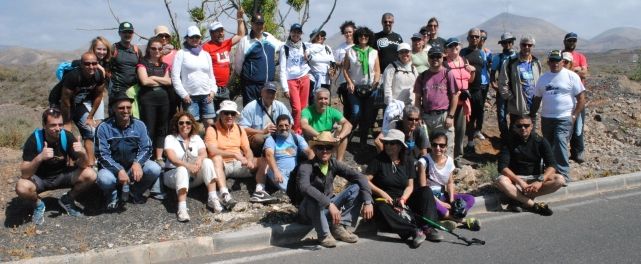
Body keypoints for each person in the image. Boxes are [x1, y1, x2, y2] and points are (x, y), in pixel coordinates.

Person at [16, 108, 96, 225]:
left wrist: (83, 153)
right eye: (53, 125)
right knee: (21, 186)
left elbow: (84, 165)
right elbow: (25, 174)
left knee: (91, 174)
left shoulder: (67, 136)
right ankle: (38, 205)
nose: (58, 129)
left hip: (62, 176)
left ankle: (67, 200)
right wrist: (40, 158)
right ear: (44, 125)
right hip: (40, 179)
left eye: (60, 124)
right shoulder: (34, 140)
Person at [367, 129, 443, 248]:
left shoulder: (407, 160)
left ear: (399, 146)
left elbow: (410, 185)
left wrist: (403, 199)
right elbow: (365, 180)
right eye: (386, 143)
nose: (387, 146)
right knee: (380, 207)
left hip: (403, 198)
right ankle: (413, 231)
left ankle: (428, 227)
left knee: (426, 191)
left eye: (391, 143)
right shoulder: (378, 160)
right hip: (386, 200)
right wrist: (382, 193)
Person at [297, 131, 374, 248]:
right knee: (313, 196)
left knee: (357, 187)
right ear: (315, 149)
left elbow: (360, 177)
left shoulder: (334, 164)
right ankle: (324, 235)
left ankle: (339, 226)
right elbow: (304, 187)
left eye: (328, 147)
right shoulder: (306, 166)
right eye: (320, 147)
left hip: (328, 208)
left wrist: (368, 201)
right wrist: (328, 204)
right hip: (309, 211)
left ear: (332, 150)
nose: (324, 151)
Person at [164, 112, 235, 222]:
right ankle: (182, 208)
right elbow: (173, 158)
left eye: (188, 122)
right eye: (181, 123)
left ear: (192, 124)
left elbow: (203, 153)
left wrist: (199, 159)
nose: (184, 125)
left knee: (207, 161)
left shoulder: (196, 138)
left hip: (193, 175)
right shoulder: (170, 138)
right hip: (173, 175)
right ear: (176, 125)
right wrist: (188, 165)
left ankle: (212, 198)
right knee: (182, 169)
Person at [95, 94, 162, 211]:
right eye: (121, 108)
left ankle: (134, 191)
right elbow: (101, 154)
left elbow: (147, 148)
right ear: (113, 109)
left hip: (132, 167)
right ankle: (112, 196)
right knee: (104, 179)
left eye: (128, 107)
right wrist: (118, 170)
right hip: (112, 169)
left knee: (154, 168)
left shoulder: (139, 125)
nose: (126, 111)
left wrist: (137, 163)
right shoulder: (103, 127)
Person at [530, 50, 586, 183]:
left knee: (560, 140)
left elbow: (581, 98)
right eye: (553, 61)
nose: (555, 63)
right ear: (549, 62)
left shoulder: (571, 76)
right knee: (548, 144)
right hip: (547, 117)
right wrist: (531, 115)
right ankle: (549, 170)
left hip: (564, 117)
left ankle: (564, 173)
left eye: (558, 61)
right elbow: (537, 98)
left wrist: (574, 115)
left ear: (563, 62)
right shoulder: (543, 78)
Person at [204, 100, 274, 203]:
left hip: (238, 163)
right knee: (216, 158)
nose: (229, 116)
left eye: (232, 113)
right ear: (220, 114)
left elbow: (247, 149)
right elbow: (212, 151)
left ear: (236, 115)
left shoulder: (239, 129)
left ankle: (260, 190)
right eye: (226, 113)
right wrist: (234, 154)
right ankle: (224, 194)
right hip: (222, 165)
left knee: (264, 160)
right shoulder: (212, 129)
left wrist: (249, 159)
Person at [495, 115, 565, 215]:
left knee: (559, 180)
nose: (523, 128)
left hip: (535, 179)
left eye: (526, 125)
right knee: (501, 181)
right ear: (514, 127)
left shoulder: (541, 141)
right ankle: (532, 205)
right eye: (519, 126)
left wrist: (540, 180)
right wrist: (520, 182)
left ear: (531, 126)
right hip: (516, 179)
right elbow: (502, 167)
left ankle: (518, 200)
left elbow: (552, 165)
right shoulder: (508, 141)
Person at [417, 131, 479, 230]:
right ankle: (461, 221)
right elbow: (423, 189)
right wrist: (441, 203)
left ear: (446, 147)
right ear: (431, 145)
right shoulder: (423, 162)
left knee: (470, 199)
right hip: (429, 197)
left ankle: (450, 216)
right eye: (434, 145)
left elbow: (450, 183)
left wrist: (451, 201)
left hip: (442, 194)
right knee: (443, 209)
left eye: (441, 145)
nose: (438, 148)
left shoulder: (449, 161)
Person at [239, 83, 292, 195]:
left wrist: (280, 129)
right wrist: (262, 131)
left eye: (272, 92)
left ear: (275, 94)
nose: (270, 94)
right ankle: (261, 160)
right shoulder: (251, 106)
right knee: (259, 139)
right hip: (258, 138)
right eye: (267, 91)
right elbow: (242, 128)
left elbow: (290, 123)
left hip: (276, 137)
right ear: (262, 92)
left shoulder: (280, 106)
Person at [60, 52, 106, 167]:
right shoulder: (73, 76)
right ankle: (65, 163)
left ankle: (90, 162)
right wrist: (67, 121)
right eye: (87, 64)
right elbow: (65, 100)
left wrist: (90, 116)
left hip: (77, 104)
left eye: (94, 63)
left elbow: (98, 96)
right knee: (64, 132)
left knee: (90, 130)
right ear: (81, 64)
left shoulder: (98, 74)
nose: (91, 67)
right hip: (60, 104)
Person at [414, 46, 458, 157]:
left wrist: (451, 116)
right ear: (428, 59)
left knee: (446, 149)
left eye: (438, 56)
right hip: (426, 117)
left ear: (442, 58)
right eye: (432, 56)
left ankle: (447, 173)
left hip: (443, 117)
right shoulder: (422, 76)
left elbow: (454, 96)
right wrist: (419, 117)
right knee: (425, 148)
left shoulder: (448, 74)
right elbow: (418, 99)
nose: (435, 59)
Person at [172, 25, 218, 128]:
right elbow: (175, 77)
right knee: (192, 125)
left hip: (207, 95)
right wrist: (183, 94)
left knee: (210, 124)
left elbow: (211, 75)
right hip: (190, 97)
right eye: (192, 37)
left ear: (200, 38)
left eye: (197, 37)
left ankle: (209, 143)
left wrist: (213, 91)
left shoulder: (206, 54)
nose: (194, 39)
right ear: (187, 38)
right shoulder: (181, 53)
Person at [342, 26, 380, 149]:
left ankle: (363, 141)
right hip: (355, 88)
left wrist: (375, 83)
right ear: (357, 37)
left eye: (366, 36)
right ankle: (347, 136)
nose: (363, 37)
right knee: (356, 113)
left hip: (370, 88)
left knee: (367, 115)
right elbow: (345, 69)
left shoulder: (374, 52)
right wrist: (349, 83)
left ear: (369, 37)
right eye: (360, 35)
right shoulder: (350, 51)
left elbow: (377, 70)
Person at [137, 37, 172, 166]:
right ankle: (148, 155)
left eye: (159, 48)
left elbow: (168, 81)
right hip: (148, 99)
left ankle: (159, 157)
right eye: (153, 48)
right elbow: (144, 81)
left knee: (162, 127)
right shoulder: (143, 63)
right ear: (149, 49)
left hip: (164, 99)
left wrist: (153, 77)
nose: (156, 51)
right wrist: (160, 80)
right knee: (149, 127)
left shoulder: (164, 65)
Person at [234, 13, 282, 106]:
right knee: (250, 112)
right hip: (251, 87)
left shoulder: (269, 37)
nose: (259, 26)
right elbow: (238, 65)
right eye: (257, 23)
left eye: (261, 23)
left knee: (266, 113)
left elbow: (282, 46)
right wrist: (249, 77)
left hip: (268, 86)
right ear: (252, 24)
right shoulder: (245, 41)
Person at [202, 8, 246, 109]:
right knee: (211, 118)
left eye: (222, 30)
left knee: (225, 115)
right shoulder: (206, 47)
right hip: (211, 89)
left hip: (225, 89)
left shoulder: (226, 44)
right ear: (211, 33)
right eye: (218, 31)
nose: (221, 33)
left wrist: (240, 18)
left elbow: (240, 35)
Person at [498, 35, 542, 130]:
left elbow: (540, 82)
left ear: (532, 46)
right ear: (520, 45)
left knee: (531, 134)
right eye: (524, 45)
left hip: (533, 106)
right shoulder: (510, 62)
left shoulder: (536, 62)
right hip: (517, 107)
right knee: (515, 134)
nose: (526, 47)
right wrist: (510, 97)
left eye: (529, 45)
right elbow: (502, 82)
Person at [443, 37, 474, 167]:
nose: (454, 48)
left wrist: (473, 71)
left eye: (457, 46)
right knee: (448, 131)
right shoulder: (444, 63)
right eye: (451, 47)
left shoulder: (465, 61)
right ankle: (446, 157)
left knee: (461, 131)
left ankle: (458, 158)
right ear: (446, 50)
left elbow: (470, 80)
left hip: (463, 101)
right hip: (450, 102)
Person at [263, 114, 314, 190]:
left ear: (290, 126)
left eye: (286, 125)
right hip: (277, 171)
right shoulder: (271, 139)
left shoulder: (296, 138)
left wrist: (313, 169)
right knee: (290, 189)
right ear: (276, 126)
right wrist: (276, 171)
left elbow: (309, 152)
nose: (284, 128)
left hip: (294, 173)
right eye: (280, 126)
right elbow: (269, 154)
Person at [301, 88, 353, 161]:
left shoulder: (332, 111)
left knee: (341, 130)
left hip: (328, 138)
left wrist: (339, 138)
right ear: (315, 100)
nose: (323, 101)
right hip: (313, 138)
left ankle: (339, 163)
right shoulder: (307, 111)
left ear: (329, 100)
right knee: (313, 161)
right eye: (320, 98)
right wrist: (320, 136)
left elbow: (348, 125)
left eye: (326, 99)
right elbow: (304, 125)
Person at [460, 28, 490, 149]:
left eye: (477, 37)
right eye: (472, 36)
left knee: (474, 115)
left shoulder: (482, 53)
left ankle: (470, 142)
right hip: (465, 89)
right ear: (468, 38)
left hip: (478, 89)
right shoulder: (462, 52)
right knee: (463, 117)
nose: (474, 39)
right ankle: (460, 143)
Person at [279, 23, 311, 134]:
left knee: (304, 108)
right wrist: (285, 88)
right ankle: (296, 132)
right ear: (290, 32)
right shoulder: (285, 48)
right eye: (294, 32)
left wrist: (308, 56)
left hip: (304, 78)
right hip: (291, 81)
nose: (296, 34)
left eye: (298, 32)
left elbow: (311, 56)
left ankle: (302, 130)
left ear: (301, 33)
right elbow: (282, 69)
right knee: (296, 108)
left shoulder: (305, 46)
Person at [562, 32, 588, 163]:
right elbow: (557, 70)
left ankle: (578, 152)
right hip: (564, 97)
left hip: (578, 97)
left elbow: (585, 73)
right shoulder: (560, 55)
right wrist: (576, 70)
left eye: (574, 41)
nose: (572, 43)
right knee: (563, 125)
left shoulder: (580, 56)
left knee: (578, 124)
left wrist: (572, 70)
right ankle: (561, 153)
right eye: (569, 41)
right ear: (565, 41)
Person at [490, 32, 517, 141]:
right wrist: (493, 84)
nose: (507, 44)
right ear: (502, 44)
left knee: (514, 113)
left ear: (512, 42)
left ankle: (512, 134)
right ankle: (505, 136)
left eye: (509, 42)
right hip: (502, 90)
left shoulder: (517, 57)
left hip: (515, 91)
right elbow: (492, 73)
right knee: (501, 115)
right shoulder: (498, 58)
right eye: (505, 43)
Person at [110, 21, 142, 97]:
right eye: (124, 32)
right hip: (118, 90)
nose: (127, 34)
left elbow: (142, 68)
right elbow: (106, 68)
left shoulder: (137, 50)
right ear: (119, 33)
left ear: (133, 33)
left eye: (130, 32)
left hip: (134, 89)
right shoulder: (113, 49)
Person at [334, 21, 357, 124]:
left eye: (350, 32)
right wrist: (342, 63)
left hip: (358, 81)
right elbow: (334, 63)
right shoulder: (340, 48)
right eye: (346, 32)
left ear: (354, 32)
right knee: (347, 107)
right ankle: (347, 130)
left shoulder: (358, 46)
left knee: (356, 109)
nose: (348, 34)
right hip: (344, 81)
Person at [382, 43, 417, 107]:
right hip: (395, 105)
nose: (404, 54)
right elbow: (387, 87)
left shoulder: (413, 68)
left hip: (411, 105)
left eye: (406, 51)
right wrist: (390, 104)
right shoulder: (391, 67)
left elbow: (417, 87)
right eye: (401, 52)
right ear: (398, 54)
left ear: (410, 53)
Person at [87, 36, 110, 125]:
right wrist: (96, 65)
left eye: (104, 49)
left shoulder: (106, 63)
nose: (102, 52)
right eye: (99, 49)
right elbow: (76, 63)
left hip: (98, 97)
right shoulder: (86, 60)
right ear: (93, 49)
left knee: (98, 125)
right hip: (85, 99)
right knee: (88, 127)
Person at [307, 29, 336, 94]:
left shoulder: (327, 48)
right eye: (317, 35)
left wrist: (332, 72)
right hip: (313, 80)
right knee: (313, 101)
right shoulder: (308, 47)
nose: (320, 37)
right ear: (313, 37)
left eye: (322, 35)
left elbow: (333, 63)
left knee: (325, 101)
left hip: (326, 80)